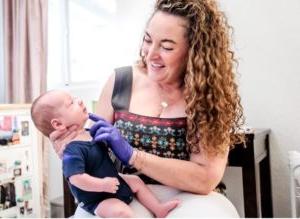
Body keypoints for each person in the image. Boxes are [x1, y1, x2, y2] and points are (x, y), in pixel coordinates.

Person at [50, 0, 245, 217]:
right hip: (127, 192)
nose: (151, 53)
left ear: (194, 51)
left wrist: (134, 156)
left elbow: (205, 178)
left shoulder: (207, 95)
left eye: (167, 46)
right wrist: (71, 145)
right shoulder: (120, 82)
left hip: (192, 198)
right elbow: (91, 153)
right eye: (147, 40)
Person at [31, 90, 180, 218]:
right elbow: (76, 179)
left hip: (112, 180)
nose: (80, 101)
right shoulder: (71, 149)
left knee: (136, 181)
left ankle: (158, 210)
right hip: (97, 197)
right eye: (71, 103)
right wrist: (102, 185)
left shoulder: (89, 133)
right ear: (58, 124)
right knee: (123, 213)